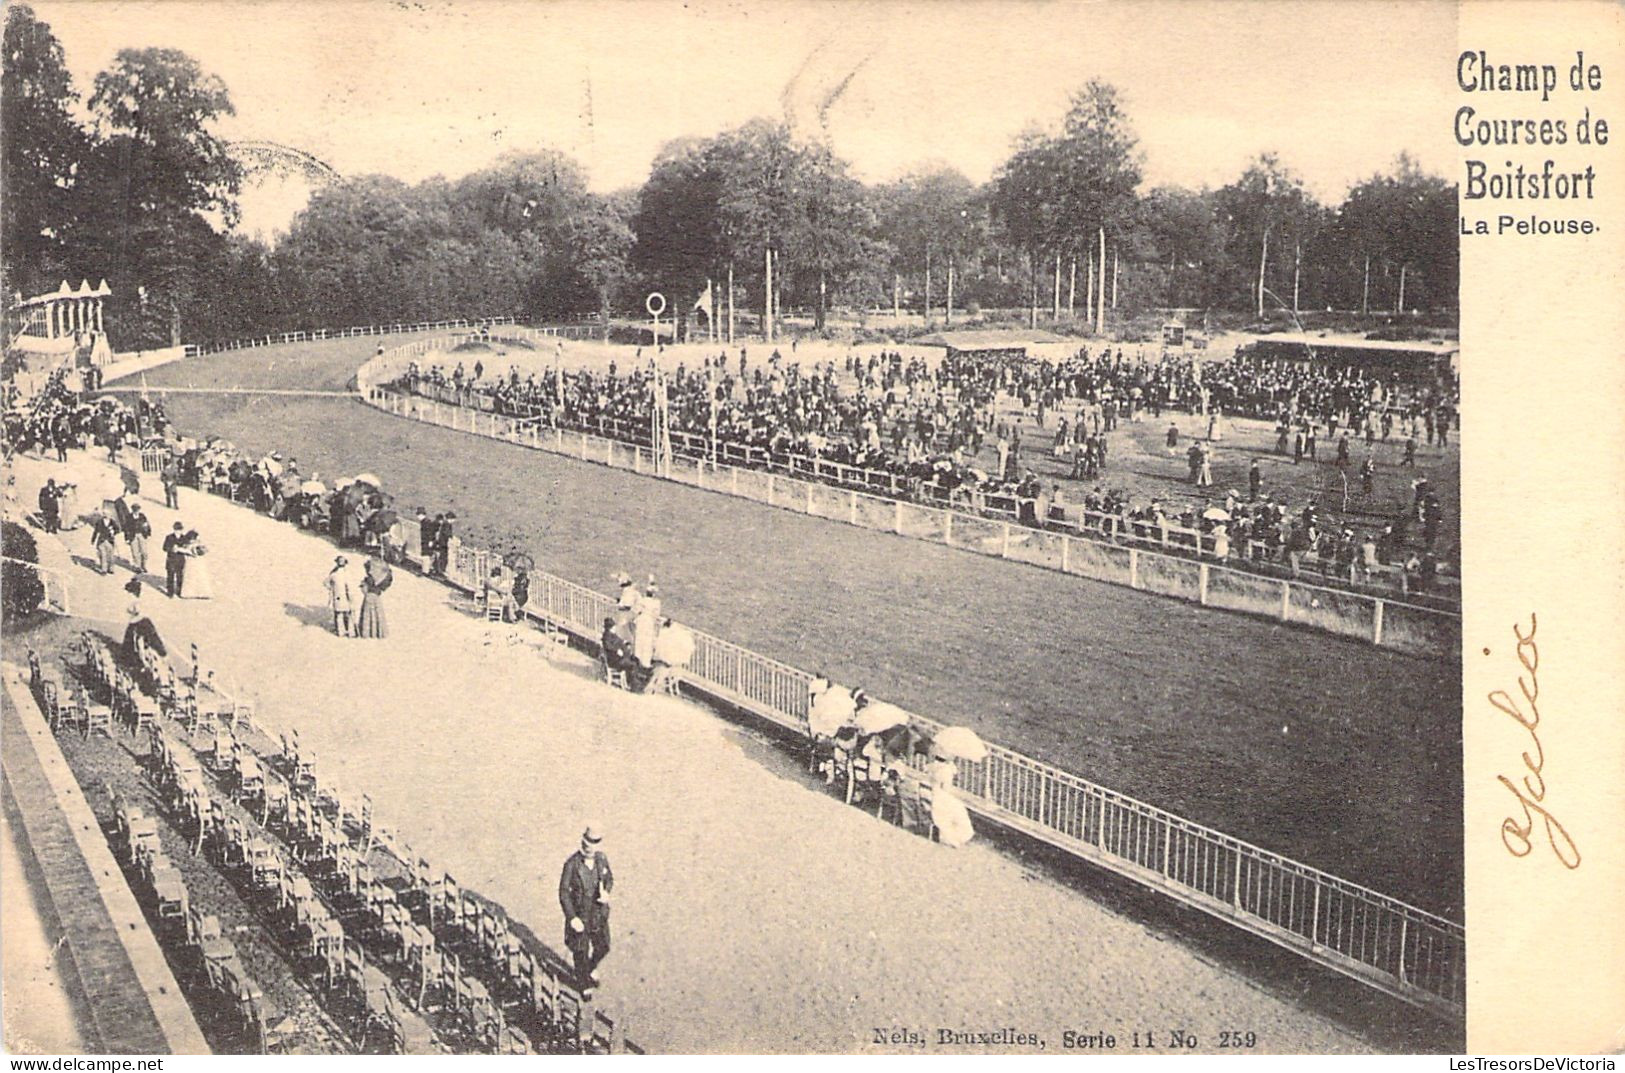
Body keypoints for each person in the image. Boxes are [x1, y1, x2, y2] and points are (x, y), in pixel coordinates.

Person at [558, 824, 614, 995]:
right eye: (588, 842)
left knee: (603, 946)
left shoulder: (602, 860)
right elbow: (563, 892)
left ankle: (591, 967)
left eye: (595, 842)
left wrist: (606, 893)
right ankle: (584, 985)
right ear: (582, 842)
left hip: (597, 915)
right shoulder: (572, 865)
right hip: (580, 917)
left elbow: (609, 878)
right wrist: (572, 917)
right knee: (580, 951)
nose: (590, 846)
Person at [357, 557, 391, 638]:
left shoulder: (369, 579)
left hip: (369, 597)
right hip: (377, 597)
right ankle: (378, 632)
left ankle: (367, 633)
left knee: (368, 615)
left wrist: (363, 584)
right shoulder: (380, 579)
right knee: (377, 615)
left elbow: (364, 590)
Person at [326, 555, 356, 637]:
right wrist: (351, 597)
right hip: (346, 597)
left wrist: (331, 587)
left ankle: (340, 631)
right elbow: (349, 587)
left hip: (337, 596)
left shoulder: (333, 573)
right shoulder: (347, 573)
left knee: (338, 614)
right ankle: (350, 632)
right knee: (348, 614)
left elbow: (326, 582)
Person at [179, 530, 213, 599]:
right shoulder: (192, 545)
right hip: (194, 564)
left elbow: (192, 552)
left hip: (195, 564)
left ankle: (191, 593)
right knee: (194, 576)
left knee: (195, 576)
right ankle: (200, 592)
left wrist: (178, 549)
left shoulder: (196, 546)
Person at [163, 522, 188, 597]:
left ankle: (179, 592)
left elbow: (187, 548)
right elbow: (164, 548)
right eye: (176, 529)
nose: (178, 531)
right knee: (170, 576)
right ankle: (170, 592)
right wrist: (171, 549)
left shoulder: (184, 538)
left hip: (180, 561)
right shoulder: (169, 537)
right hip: (171, 560)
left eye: (179, 529)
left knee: (180, 577)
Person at [124, 502, 151, 574]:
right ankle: (137, 566)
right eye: (134, 510)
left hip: (142, 535)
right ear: (132, 510)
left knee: (144, 552)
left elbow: (147, 525)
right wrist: (126, 538)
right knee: (135, 552)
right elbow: (126, 528)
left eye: (137, 509)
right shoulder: (128, 517)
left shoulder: (142, 516)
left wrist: (148, 534)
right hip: (133, 536)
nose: (136, 511)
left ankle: (143, 565)